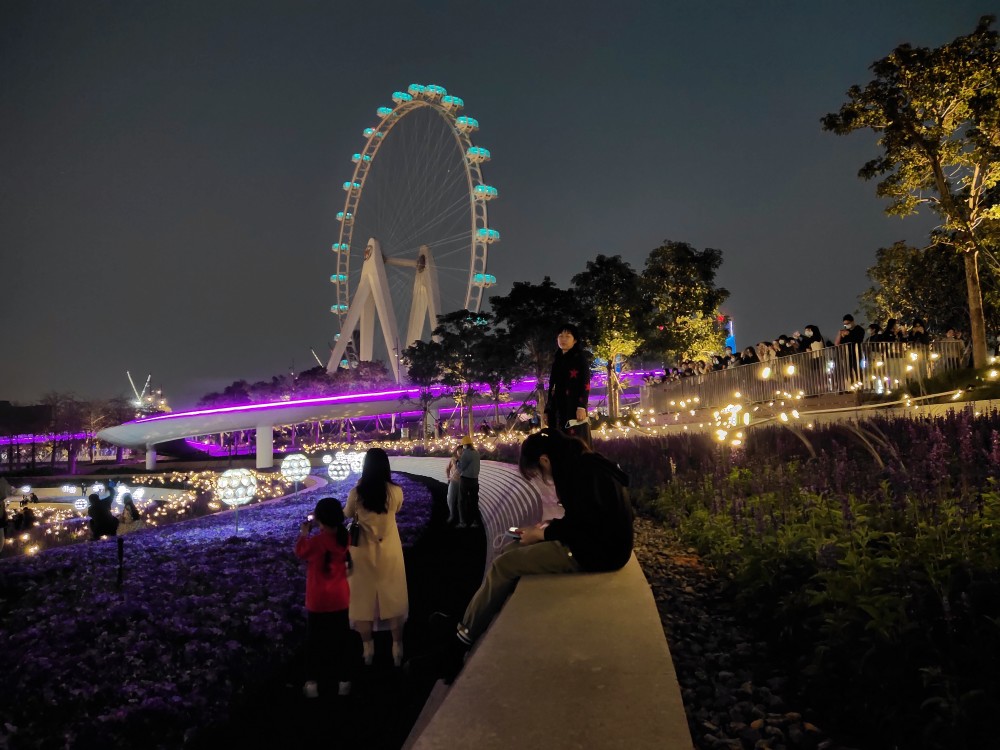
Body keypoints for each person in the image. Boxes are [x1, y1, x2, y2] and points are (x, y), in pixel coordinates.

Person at [432, 429, 634, 678]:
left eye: (538, 472)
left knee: (504, 565)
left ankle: (459, 643)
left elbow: (584, 525)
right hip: (602, 545)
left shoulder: (578, 472)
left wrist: (543, 534)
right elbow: (589, 517)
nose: (543, 477)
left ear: (545, 460)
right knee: (512, 549)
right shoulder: (586, 464)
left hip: (597, 553)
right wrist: (545, 530)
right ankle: (477, 615)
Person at [345, 448, 408, 667]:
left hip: (362, 551)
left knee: (362, 599)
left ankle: (367, 648)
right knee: (393, 595)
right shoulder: (395, 491)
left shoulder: (358, 492)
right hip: (389, 550)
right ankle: (397, 646)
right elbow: (397, 510)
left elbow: (347, 513)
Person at [295, 496, 354, 698]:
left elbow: (301, 552)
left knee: (314, 642)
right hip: (340, 598)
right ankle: (344, 681)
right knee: (341, 640)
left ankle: (312, 684)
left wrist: (304, 534)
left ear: (319, 518)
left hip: (318, 600)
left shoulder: (317, 542)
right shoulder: (344, 537)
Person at [544, 323, 591, 441]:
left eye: (567, 336)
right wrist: (547, 409)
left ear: (575, 340)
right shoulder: (558, 359)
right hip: (557, 406)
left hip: (572, 405)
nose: (563, 339)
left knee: (575, 441)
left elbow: (585, 383)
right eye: (560, 336)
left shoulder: (579, 358)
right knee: (557, 439)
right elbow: (552, 387)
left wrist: (581, 406)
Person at [456, 435, 481, 528]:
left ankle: (462, 522)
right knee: (474, 501)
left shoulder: (465, 454)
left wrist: (457, 462)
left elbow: (461, 468)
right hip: (475, 480)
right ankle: (475, 521)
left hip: (465, 480)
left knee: (461, 501)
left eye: (463, 445)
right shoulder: (476, 452)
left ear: (465, 445)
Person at [445, 445, 463, 525]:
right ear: (456, 451)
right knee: (450, 499)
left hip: (462, 483)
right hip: (453, 481)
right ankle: (452, 515)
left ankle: (461, 518)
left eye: (462, 451)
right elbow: (447, 469)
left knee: (460, 501)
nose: (460, 452)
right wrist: (448, 477)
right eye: (459, 450)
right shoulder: (453, 460)